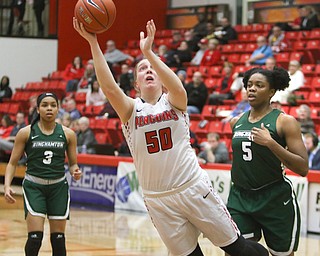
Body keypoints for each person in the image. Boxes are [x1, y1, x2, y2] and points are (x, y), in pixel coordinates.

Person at [74, 17, 269, 256]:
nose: (148, 70)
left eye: (152, 68)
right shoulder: (131, 110)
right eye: (142, 69)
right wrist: (93, 42)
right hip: (158, 199)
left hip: (192, 187)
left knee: (237, 248)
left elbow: (177, 87)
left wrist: (149, 53)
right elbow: (110, 88)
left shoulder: (173, 101)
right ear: (136, 84)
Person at [226, 67, 309, 256]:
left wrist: (271, 144)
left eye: (259, 85)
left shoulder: (284, 121)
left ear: (271, 92)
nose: (251, 89)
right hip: (240, 197)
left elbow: (303, 168)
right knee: (234, 252)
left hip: (274, 198)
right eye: (249, 85)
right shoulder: (236, 121)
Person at [4, 92, 82, 256]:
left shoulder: (68, 134)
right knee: (35, 238)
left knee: (59, 240)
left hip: (58, 188)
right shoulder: (25, 133)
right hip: (34, 187)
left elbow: (73, 163)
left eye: (53, 105)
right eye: (45, 105)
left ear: (58, 109)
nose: (49, 108)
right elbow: (12, 163)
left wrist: (75, 171)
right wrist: (7, 186)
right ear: (38, 109)